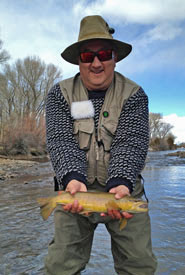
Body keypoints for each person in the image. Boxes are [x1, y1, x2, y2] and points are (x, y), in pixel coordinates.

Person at [45, 15, 157, 275]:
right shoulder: (59, 94)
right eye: (87, 56)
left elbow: (131, 142)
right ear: (79, 61)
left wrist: (121, 182)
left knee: (139, 266)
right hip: (75, 191)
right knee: (59, 268)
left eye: (104, 54)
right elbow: (60, 140)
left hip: (123, 188)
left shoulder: (134, 94)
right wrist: (72, 178)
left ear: (114, 58)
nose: (96, 63)